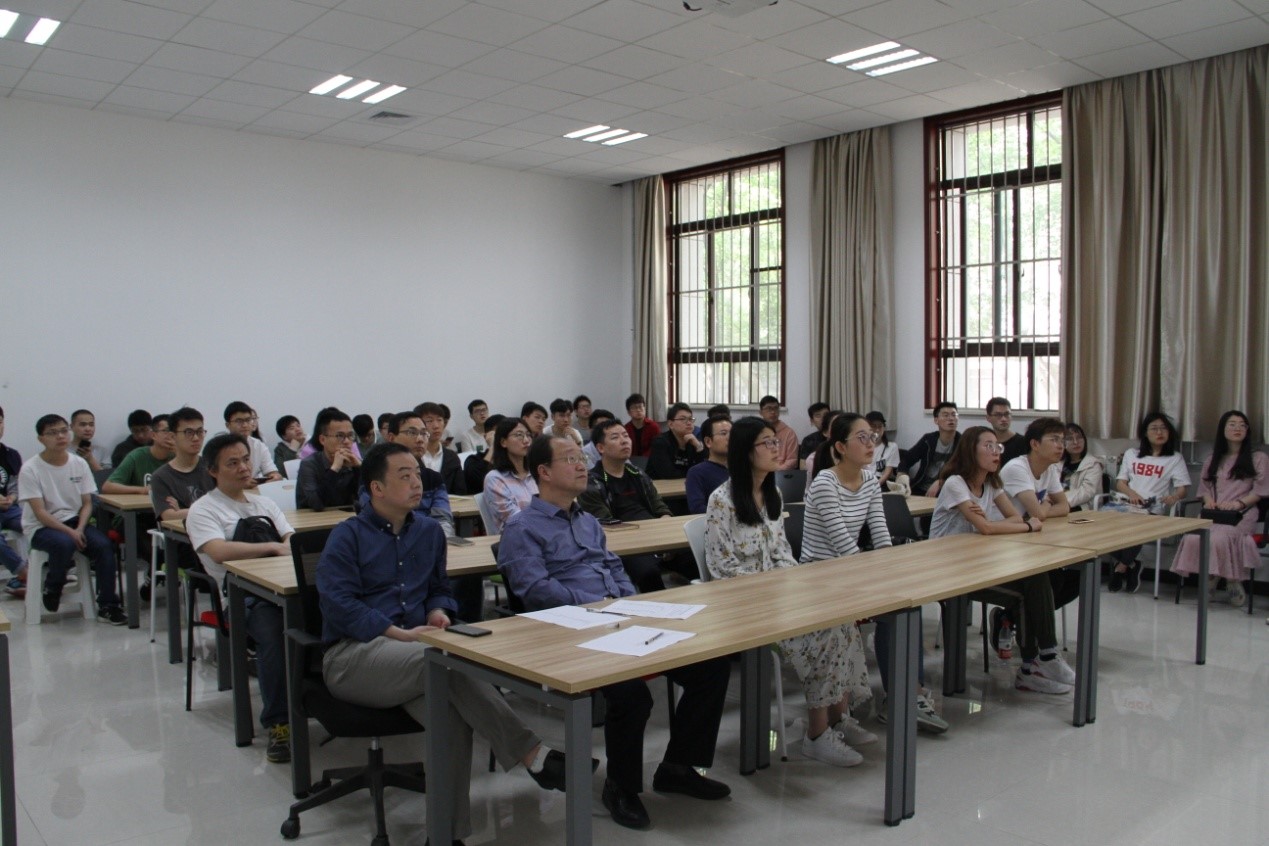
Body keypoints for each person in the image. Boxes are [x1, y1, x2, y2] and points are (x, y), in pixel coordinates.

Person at [317, 442, 576, 842]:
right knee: (444, 661)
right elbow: (339, 604)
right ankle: (533, 753)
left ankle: (445, 835)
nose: (416, 483)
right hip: (354, 656)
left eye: (417, 474)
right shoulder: (347, 535)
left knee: (451, 718)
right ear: (376, 488)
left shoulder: (428, 532)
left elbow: (439, 588)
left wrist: (439, 611)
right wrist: (399, 633)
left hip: (417, 655)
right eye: (404, 476)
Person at [499, 434, 731, 830]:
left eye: (580, 457)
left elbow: (614, 567)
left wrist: (626, 602)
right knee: (631, 694)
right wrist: (596, 607)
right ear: (544, 472)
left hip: (617, 619)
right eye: (569, 459)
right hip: (567, 632)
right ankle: (621, 787)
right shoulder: (522, 528)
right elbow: (535, 591)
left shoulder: (587, 520)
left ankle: (677, 767)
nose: (581, 465)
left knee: (711, 666)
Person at [709, 415, 876, 767]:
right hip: (745, 602)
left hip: (778, 595)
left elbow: (782, 553)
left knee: (841, 620)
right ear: (745, 451)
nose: (776, 448)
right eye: (767, 443)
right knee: (823, 632)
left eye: (776, 441)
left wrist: (797, 587)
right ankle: (816, 734)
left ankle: (838, 718)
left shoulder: (774, 495)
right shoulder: (722, 500)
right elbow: (722, 567)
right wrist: (774, 591)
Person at [806, 415, 948, 733]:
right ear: (840, 447)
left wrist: (889, 571)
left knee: (905, 604)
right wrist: (876, 579)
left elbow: (880, 533)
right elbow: (843, 544)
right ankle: (901, 697)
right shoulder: (825, 482)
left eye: (872, 437)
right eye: (862, 438)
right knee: (892, 606)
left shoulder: (870, 480)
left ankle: (907, 695)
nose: (871, 444)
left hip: (852, 572)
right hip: (820, 576)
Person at [928, 426, 1075, 695]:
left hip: (977, 563)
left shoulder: (991, 484)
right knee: (1024, 596)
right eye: (988, 446)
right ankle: (1032, 667)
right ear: (970, 451)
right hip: (948, 569)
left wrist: (1000, 523)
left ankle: (1045, 658)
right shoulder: (955, 483)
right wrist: (1025, 526)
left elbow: (1013, 517)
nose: (996, 452)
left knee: (1036, 575)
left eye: (998, 447)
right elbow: (990, 528)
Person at [185, 433, 294, 762]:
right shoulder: (204, 510)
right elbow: (218, 551)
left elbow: (290, 537)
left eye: (246, 460)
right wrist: (273, 547)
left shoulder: (264, 503)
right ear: (213, 470)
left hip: (281, 588)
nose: (244, 468)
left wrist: (284, 545)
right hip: (240, 599)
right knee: (274, 630)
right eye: (232, 463)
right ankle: (279, 722)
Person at [18, 414, 126, 624]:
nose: (60, 436)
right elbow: (40, 512)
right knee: (64, 543)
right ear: (41, 438)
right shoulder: (31, 469)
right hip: (41, 526)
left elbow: (87, 503)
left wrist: (80, 528)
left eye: (63, 431)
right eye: (52, 433)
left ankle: (108, 605)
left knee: (104, 545)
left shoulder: (79, 463)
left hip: (75, 521)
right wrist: (70, 532)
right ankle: (53, 585)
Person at [996, 418, 1080, 659]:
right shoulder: (1017, 468)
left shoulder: (1050, 469)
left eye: (1062, 440)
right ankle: (1036, 650)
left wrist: (1044, 508)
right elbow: (1038, 513)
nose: (1061, 445)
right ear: (1034, 444)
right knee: (1048, 580)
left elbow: (1064, 507)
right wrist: (1045, 506)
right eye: (1054, 440)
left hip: (1030, 539)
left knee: (1075, 577)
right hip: (1004, 543)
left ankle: (1009, 618)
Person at [1172, 410, 1267, 607]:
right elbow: (1205, 488)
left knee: (1219, 538)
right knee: (1193, 537)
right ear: (1223, 430)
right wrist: (1209, 501)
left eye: (1242, 425)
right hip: (1214, 512)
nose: (1237, 428)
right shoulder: (1213, 459)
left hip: (1242, 513)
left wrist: (1238, 504)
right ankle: (1213, 578)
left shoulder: (1258, 458)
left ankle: (1229, 579)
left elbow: (1260, 491)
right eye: (1232, 424)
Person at [576, 419, 672, 592]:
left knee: (694, 558)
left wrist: (665, 527)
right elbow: (606, 524)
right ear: (601, 448)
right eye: (615, 437)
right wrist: (650, 538)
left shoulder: (638, 474)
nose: (624, 441)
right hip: (626, 545)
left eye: (626, 436)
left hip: (656, 535)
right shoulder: (592, 482)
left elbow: (660, 507)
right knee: (649, 574)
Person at [1108, 412, 1190, 593]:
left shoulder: (1174, 458)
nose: (1159, 432)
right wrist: (1132, 494)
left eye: (1163, 428)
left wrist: (1174, 497)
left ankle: (1120, 568)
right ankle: (1131, 564)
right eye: (1154, 428)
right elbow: (1120, 483)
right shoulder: (1132, 454)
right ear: (1145, 433)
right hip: (1126, 503)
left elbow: (1182, 488)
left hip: (1152, 507)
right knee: (1100, 526)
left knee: (1136, 526)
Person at [297, 408, 361, 511]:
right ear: (323, 439)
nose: (347, 441)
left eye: (350, 435)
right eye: (340, 436)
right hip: (314, 519)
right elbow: (317, 504)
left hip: (345, 517)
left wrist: (359, 469)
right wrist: (334, 469)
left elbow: (365, 499)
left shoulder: (352, 463)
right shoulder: (309, 464)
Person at [482, 417, 537, 533]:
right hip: (517, 537)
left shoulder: (537, 473)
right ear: (503, 442)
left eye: (528, 435)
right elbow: (515, 519)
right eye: (519, 435)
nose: (526, 440)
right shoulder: (495, 478)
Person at [102, 414, 173, 495]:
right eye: (166, 430)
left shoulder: (180, 456)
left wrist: (179, 453)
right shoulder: (137, 455)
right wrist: (142, 490)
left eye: (175, 431)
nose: (171, 435)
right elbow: (108, 487)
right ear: (153, 435)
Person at [901, 401, 960, 497]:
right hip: (920, 489)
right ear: (936, 420)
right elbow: (906, 460)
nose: (951, 418)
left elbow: (966, 472)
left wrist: (941, 482)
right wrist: (902, 475)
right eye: (945, 415)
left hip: (947, 492)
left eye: (954, 415)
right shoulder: (928, 440)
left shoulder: (962, 442)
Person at [0, 407, 27, 596]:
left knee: (38, 526)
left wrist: (12, 497)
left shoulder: (11, 454)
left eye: (0, 422)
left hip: (10, 508)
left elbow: (16, 485)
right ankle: (25, 574)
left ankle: (53, 571)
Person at [223, 402, 281, 485]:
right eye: (239, 421)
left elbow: (273, 472)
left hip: (254, 489)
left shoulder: (258, 445)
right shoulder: (221, 448)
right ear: (228, 425)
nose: (245, 425)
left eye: (248, 420)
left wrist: (275, 477)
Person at [416, 402, 466, 494]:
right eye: (429, 421)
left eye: (439, 420)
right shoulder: (412, 456)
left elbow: (460, 492)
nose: (436, 426)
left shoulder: (452, 457)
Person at [685, 416, 731, 514]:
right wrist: (732, 512)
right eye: (723, 433)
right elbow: (697, 508)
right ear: (708, 441)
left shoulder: (742, 468)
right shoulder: (697, 472)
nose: (730, 437)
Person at [647, 402, 704, 479]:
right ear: (671, 424)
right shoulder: (660, 442)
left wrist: (698, 447)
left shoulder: (693, 441)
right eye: (683, 419)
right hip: (659, 485)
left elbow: (704, 469)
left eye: (690, 419)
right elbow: (668, 474)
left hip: (684, 483)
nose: (689, 423)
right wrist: (694, 474)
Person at [1060, 422, 1104, 510]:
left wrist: (1060, 501)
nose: (1076, 442)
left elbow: (1086, 492)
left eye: (1079, 437)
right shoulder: (1057, 463)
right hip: (1059, 502)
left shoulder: (1093, 464)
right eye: (1070, 439)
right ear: (1063, 443)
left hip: (1083, 506)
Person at [463, 413, 504, 495]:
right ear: (486, 436)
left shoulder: (517, 458)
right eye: (498, 433)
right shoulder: (473, 461)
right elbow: (480, 480)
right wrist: (493, 447)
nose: (503, 438)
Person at [757, 395, 799, 470]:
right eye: (769, 409)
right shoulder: (756, 432)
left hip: (781, 472)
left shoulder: (789, 433)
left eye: (776, 408)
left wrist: (776, 471)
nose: (773, 412)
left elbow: (792, 460)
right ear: (760, 412)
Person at [986, 397, 1027, 463]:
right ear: (988, 418)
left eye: (1007, 414)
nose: (1003, 419)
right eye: (998, 415)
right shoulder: (985, 444)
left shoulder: (1023, 443)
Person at [866, 411, 900, 486]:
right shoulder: (861, 446)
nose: (877, 430)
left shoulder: (891, 447)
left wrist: (875, 486)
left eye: (880, 426)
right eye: (874, 426)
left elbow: (887, 473)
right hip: (863, 481)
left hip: (880, 483)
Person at [623, 393, 660, 458]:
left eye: (640, 406)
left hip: (650, 459)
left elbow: (657, 447)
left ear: (644, 408)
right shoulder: (626, 429)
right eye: (634, 408)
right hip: (631, 459)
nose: (638, 410)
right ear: (629, 412)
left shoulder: (653, 426)